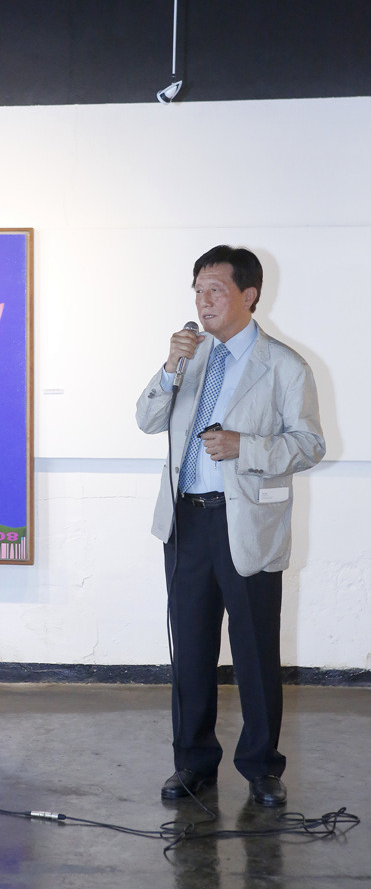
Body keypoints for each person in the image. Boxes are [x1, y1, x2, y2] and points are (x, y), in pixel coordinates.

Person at [136, 245, 325, 807]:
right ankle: (193, 763)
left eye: (215, 290)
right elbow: (146, 419)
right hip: (186, 524)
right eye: (198, 290)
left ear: (249, 295)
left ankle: (263, 768)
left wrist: (247, 447)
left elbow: (310, 444)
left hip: (247, 525)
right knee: (191, 651)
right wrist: (169, 367)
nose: (204, 300)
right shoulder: (190, 359)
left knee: (255, 652)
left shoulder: (284, 366)